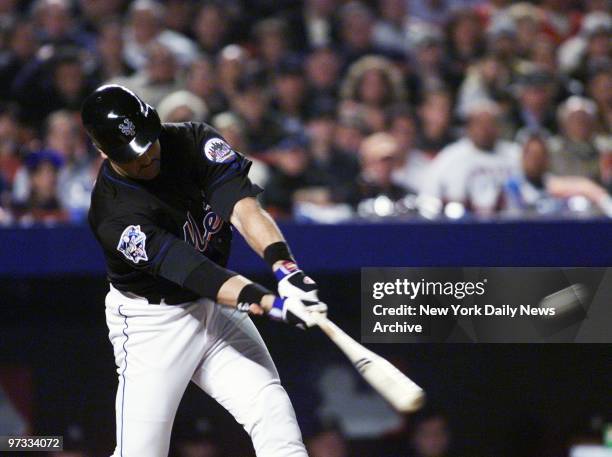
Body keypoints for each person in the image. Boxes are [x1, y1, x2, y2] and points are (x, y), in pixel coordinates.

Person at [81, 84, 328, 457]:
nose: (146, 157)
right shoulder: (114, 214)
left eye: (149, 142)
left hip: (217, 307)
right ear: (102, 151)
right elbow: (193, 271)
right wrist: (270, 303)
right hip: (154, 323)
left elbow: (242, 208)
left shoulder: (194, 141)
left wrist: (286, 268)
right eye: (132, 155)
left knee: (270, 406)